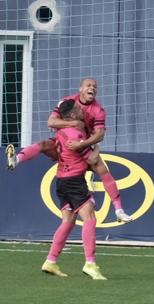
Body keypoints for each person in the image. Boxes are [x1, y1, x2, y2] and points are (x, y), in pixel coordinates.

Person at [5, 77, 133, 223]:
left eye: (95, 87)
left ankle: (119, 210)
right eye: (88, 85)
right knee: (43, 144)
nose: (92, 88)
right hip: (64, 144)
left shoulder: (98, 111)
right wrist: (74, 123)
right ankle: (16, 160)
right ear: (80, 89)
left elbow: (99, 135)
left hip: (82, 145)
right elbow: (51, 122)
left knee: (100, 168)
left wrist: (83, 145)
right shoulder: (67, 102)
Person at [40, 99, 107, 280]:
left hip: (61, 180)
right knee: (90, 218)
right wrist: (97, 148)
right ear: (71, 115)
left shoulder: (61, 131)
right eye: (78, 109)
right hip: (74, 181)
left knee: (68, 221)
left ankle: (51, 261)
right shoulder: (74, 133)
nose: (81, 111)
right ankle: (90, 263)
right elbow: (91, 161)